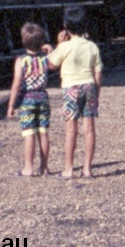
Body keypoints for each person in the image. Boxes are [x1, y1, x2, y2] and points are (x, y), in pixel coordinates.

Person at [46, 26, 103, 179]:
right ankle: (87, 169)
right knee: (89, 129)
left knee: (71, 130)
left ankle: (69, 170)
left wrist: (57, 46)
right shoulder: (92, 46)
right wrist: (96, 97)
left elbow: (50, 65)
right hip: (89, 86)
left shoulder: (64, 46)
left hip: (71, 89)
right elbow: (98, 76)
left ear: (67, 30)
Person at [6, 23, 51, 177]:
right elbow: (53, 59)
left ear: (23, 41)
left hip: (27, 99)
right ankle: (44, 167)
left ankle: (28, 168)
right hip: (43, 97)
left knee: (29, 134)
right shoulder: (45, 58)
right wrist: (49, 49)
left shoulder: (21, 60)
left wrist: (11, 105)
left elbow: (16, 84)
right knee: (43, 133)